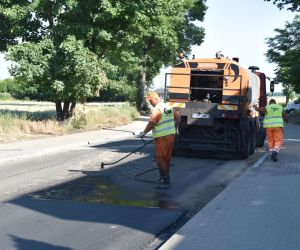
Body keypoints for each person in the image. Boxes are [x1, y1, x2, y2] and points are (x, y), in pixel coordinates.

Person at [137, 91, 180, 189]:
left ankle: (165, 181)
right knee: (167, 159)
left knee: (160, 159)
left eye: (151, 101)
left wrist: (144, 133)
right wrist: (175, 128)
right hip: (170, 137)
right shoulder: (168, 107)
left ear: (156, 99)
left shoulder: (157, 109)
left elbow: (152, 122)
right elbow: (178, 117)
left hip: (162, 138)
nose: (150, 103)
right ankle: (165, 178)